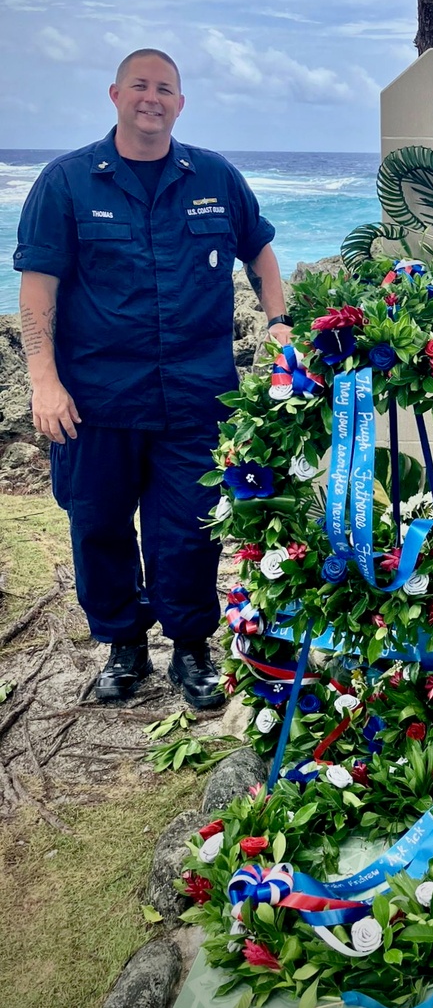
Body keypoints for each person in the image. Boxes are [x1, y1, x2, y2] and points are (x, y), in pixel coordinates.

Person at [15, 49, 292, 708]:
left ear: (180, 103)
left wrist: (279, 321)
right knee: (99, 526)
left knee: (190, 529)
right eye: (139, 85)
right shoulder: (68, 182)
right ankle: (124, 646)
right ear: (115, 93)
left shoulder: (216, 177)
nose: (152, 97)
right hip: (97, 403)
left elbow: (261, 252)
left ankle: (191, 648)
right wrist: (43, 382)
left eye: (164, 88)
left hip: (197, 398)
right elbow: (37, 290)